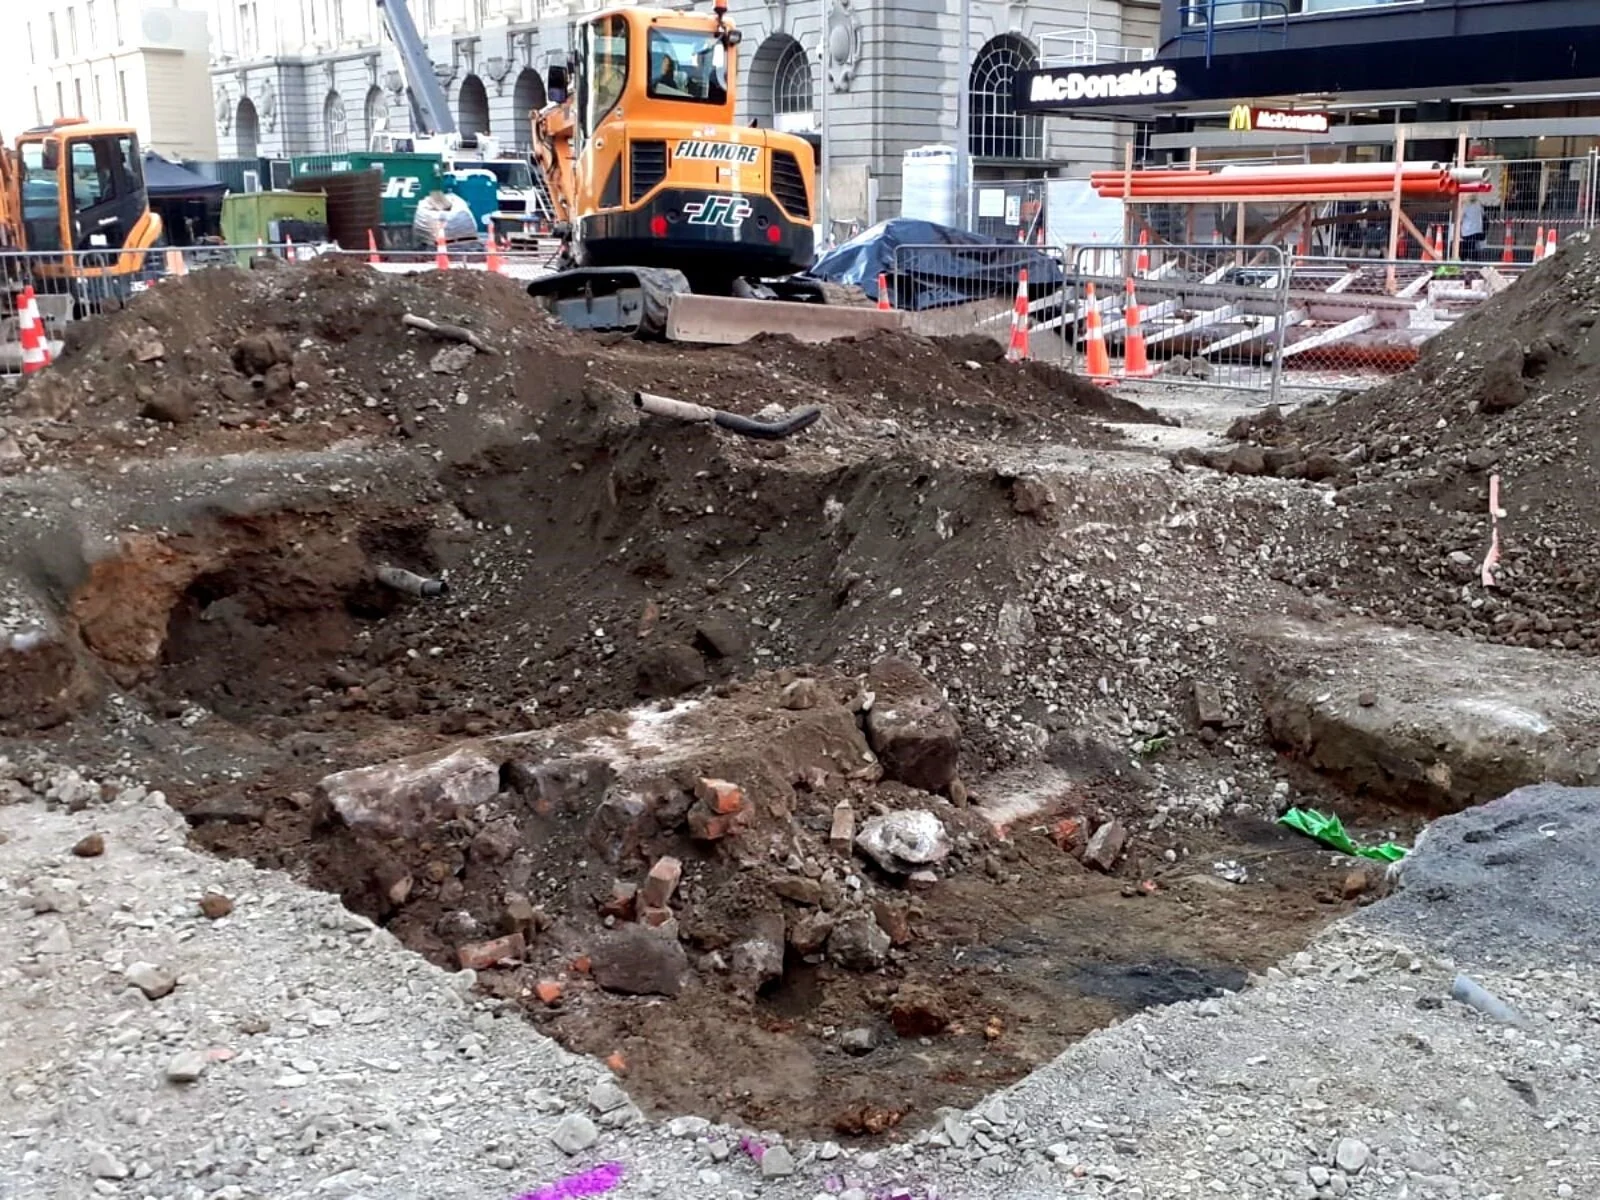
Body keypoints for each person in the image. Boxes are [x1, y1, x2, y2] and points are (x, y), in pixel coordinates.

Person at [1460, 195, 1485, 261]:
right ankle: (1475, 263)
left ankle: (1463, 262)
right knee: (1474, 248)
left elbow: (1460, 218)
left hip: (1468, 231)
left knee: (1466, 248)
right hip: (1478, 229)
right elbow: (1483, 214)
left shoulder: (1466, 205)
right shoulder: (1478, 204)